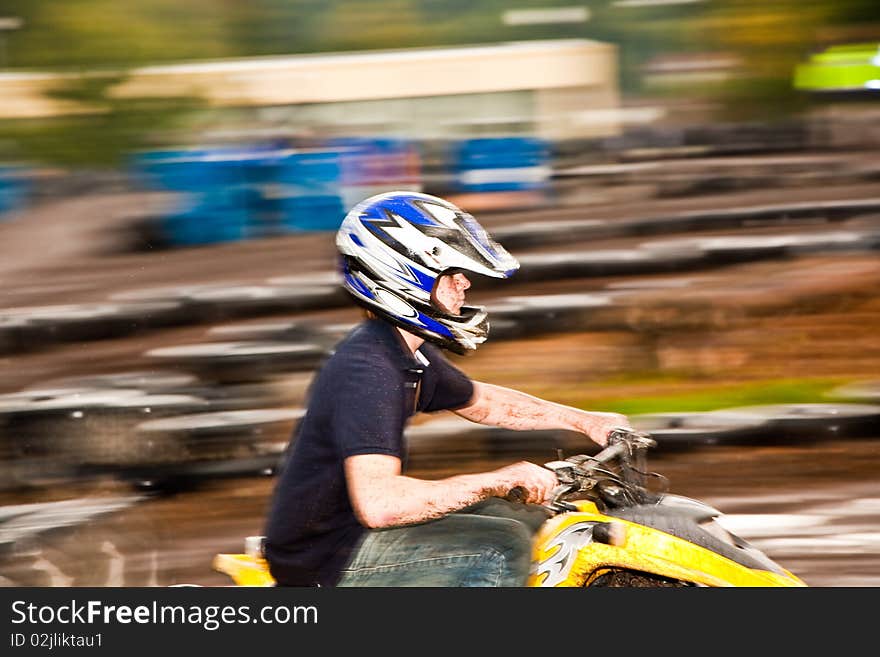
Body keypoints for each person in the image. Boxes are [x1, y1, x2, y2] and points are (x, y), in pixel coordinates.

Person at [263, 191, 631, 587]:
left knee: (526, 515)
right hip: (324, 557)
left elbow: (485, 403)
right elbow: (382, 506)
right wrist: (498, 478)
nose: (464, 282)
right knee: (498, 545)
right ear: (402, 276)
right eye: (451, 272)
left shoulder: (403, 352)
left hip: (346, 532)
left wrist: (586, 421)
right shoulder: (368, 372)